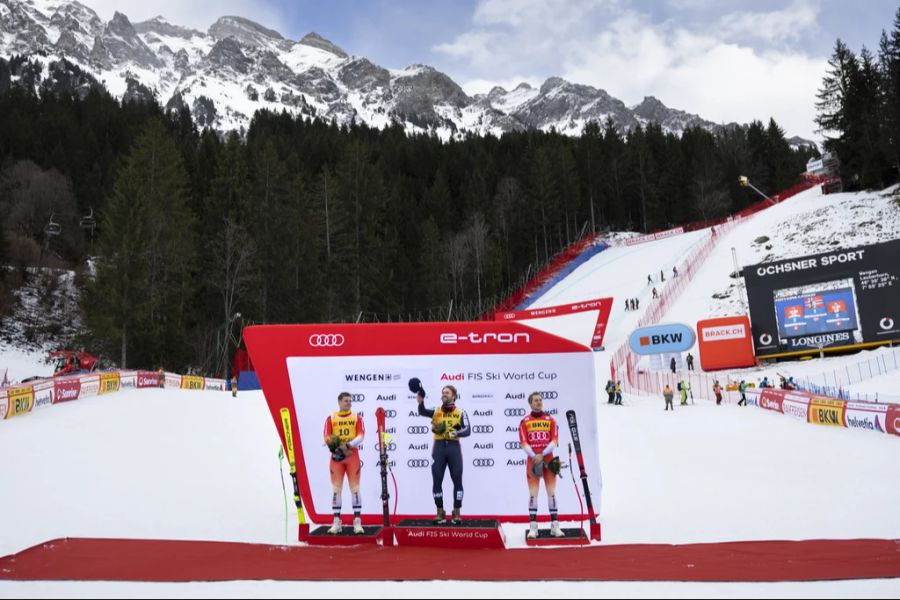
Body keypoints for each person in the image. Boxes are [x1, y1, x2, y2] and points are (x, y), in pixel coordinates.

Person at [415, 381, 471, 524]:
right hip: (439, 448)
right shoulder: (436, 410)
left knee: (457, 479)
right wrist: (420, 402)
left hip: (454, 448)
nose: (444, 395)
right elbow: (422, 412)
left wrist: (455, 432)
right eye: (443, 392)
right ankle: (440, 511)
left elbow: (468, 430)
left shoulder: (461, 412)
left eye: (447, 393)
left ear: (454, 396)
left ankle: (456, 511)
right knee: (437, 478)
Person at [519, 392, 564, 538]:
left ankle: (555, 526)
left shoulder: (551, 420)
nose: (539, 402)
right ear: (530, 403)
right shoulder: (524, 421)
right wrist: (535, 456)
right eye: (535, 400)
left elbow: (554, 440)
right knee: (533, 494)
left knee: (551, 493)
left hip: (548, 460)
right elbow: (524, 443)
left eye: (540, 400)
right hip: (533, 460)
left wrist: (542, 454)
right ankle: (533, 527)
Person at [323, 392, 366, 534]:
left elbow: (361, 435)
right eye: (346, 400)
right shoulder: (331, 417)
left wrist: (347, 446)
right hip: (337, 457)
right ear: (339, 402)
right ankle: (336, 522)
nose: (349, 403)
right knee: (336, 490)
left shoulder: (356, 417)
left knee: (355, 489)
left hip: (352, 456)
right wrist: (335, 445)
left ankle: (357, 522)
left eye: (350, 401)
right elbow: (326, 435)